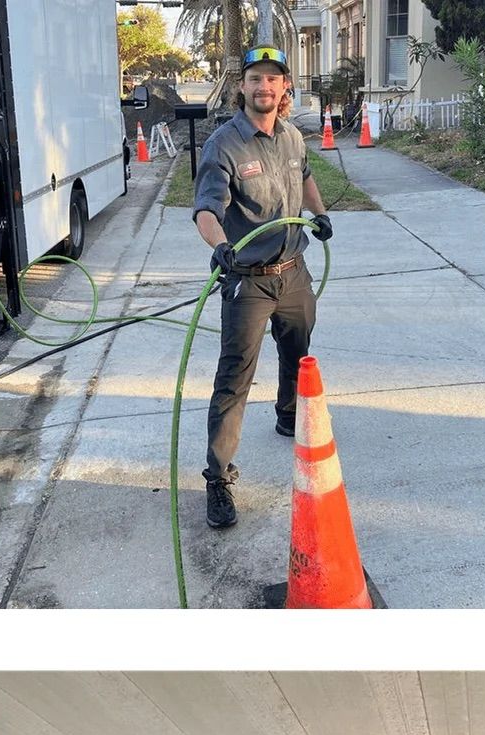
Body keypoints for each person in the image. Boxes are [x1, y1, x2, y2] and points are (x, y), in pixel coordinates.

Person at [191, 45, 332, 531]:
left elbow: (307, 177)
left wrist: (320, 213)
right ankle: (217, 478)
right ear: (242, 85)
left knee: (298, 351)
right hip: (247, 281)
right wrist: (220, 245)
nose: (264, 87)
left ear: (285, 86)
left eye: (273, 79)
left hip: (294, 273)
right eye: (255, 78)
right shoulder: (224, 144)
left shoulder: (293, 137)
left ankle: (288, 413)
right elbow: (207, 208)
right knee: (234, 378)